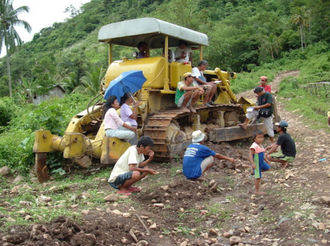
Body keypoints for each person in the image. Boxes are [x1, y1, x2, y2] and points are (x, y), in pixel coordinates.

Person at [249, 129, 270, 195]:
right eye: (259, 137)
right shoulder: (254, 146)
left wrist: (266, 160)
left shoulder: (260, 145)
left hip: (261, 162)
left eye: (262, 137)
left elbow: (262, 154)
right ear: (254, 139)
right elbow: (250, 155)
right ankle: (257, 191)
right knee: (258, 177)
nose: (261, 139)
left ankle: (255, 172)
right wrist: (252, 163)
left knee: (268, 168)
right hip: (257, 163)